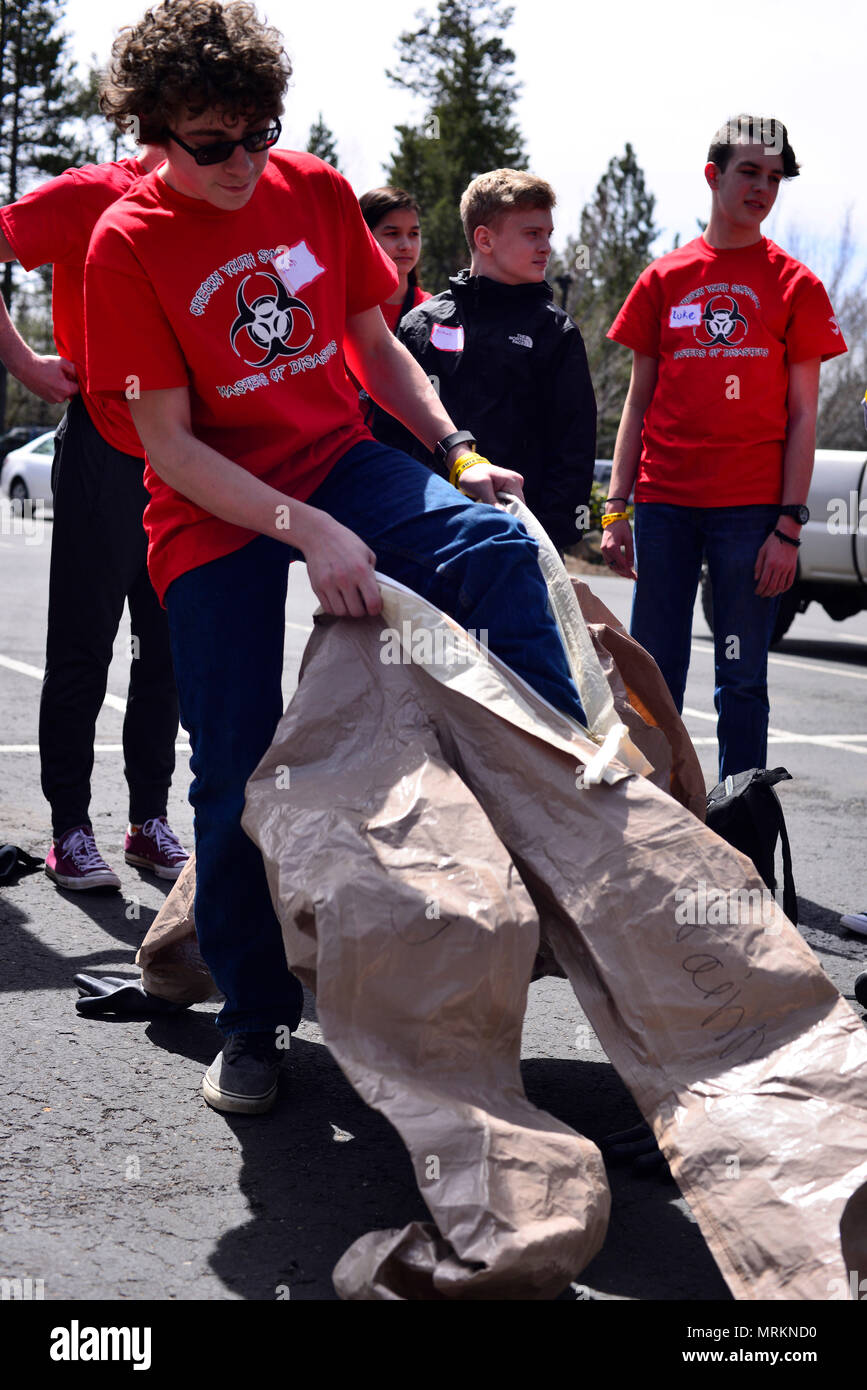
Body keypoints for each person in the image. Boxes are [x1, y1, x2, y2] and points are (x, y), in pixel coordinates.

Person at [83, 0, 588, 1115]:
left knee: (497, 545)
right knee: (235, 756)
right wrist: (308, 533)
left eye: (258, 130)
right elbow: (167, 442)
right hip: (213, 504)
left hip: (337, 453)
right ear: (155, 133)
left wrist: (456, 453)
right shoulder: (124, 244)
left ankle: (562, 816)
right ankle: (255, 1017)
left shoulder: (308, 189)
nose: (241, 160)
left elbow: (372, 345)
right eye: (211, 143)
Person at [602, 115, 847, 780]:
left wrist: (788, 526)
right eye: (748, 172)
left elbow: (802, 417)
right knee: (651, 676)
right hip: (664, 505)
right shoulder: (663, 279)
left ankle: (742, 835)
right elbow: (636, 401)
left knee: (741, 679)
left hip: (750, 513)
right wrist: (615, 508)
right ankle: (660, 822)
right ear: (712, 175)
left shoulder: (795, 285)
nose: (762, 187)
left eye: (774, 178)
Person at [0, 148, 190, 890]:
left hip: (187, 457)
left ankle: (149, 822)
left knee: (165, 653)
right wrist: (23, 362)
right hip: (104, 452)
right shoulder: (91, 192)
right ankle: (69, 830)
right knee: (83, 650)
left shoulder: (224, 198)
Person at [388, 168, 596, 554]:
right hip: (422, 529)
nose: (546, 247)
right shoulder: (421, 323)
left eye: (548, 234)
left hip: (517, 536)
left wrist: (549, 537)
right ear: (484, 239)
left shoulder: (556, 331)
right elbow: (389, 432)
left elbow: (574, 447)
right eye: (532, 233)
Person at [359, 186, 431, 334]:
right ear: (364, 237)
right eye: (392, 233)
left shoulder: (431, 310)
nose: (406, 246)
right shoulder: (344, 308)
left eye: (413, 233)